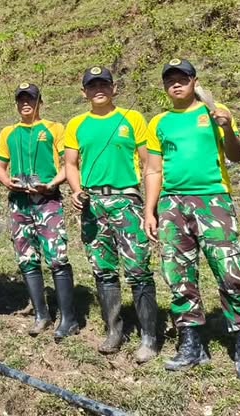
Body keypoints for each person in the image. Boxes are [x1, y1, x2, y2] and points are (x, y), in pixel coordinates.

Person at [144, 59, 240, 378]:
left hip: (213, 200)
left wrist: (226, 128)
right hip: (172, 205)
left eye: (182, 78)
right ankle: (192, 344)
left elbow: (236, 155)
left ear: (194, 81)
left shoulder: (214, 111)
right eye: (170, 80)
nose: (176, 84)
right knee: (178, 275)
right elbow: (153, 169)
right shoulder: (159, 123)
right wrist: (149, 210)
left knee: (231, 272)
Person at [64, 67, 158, 362]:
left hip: (127, 201)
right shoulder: (76, 124)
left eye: (104, 83)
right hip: (94, 204)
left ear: (114, 88)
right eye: (92, 86)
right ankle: (114, 331)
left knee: (138, 268)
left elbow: (149, 164)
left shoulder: (132, 119)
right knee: (103, 270)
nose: (98, 89)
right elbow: (70, 164)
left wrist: (149, 207)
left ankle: (149, 336)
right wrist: (77, 191)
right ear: (84, 92)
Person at [0, 83, 78, 340]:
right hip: (19, 203)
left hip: (48, 201)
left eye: (30, 99)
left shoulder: (54, 128)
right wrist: (7, 182)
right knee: (27, 258)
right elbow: (0, 166)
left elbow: (69, 164)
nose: (25, 104)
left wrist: (52, 183)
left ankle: (69, 318)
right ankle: (41, 314)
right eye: (21, 100)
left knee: (57, 257)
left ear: (39, 101)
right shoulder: (8, 132)